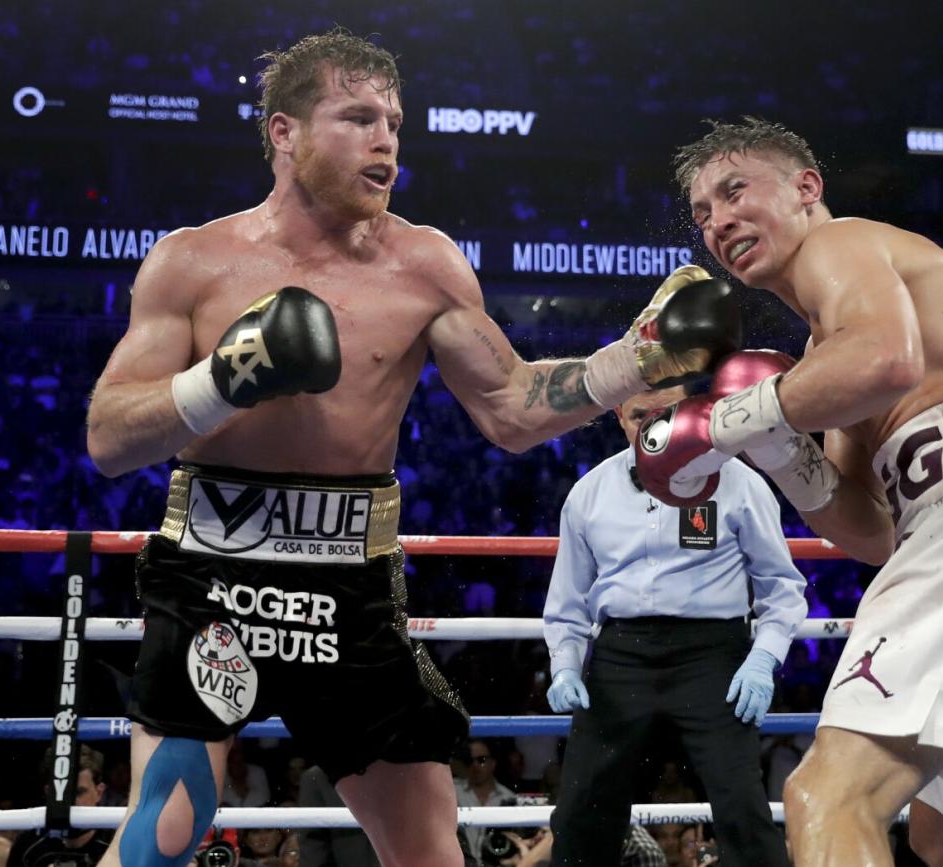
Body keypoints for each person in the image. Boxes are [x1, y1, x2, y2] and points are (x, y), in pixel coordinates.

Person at [84, 28, 737, 867]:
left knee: (430, 851)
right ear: (284, 133)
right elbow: (108, 436)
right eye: (357, 117)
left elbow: (510, 405)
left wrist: (635, 360)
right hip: (211, 577)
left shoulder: (424, 265)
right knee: (164, 835)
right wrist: (224, 378)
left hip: (350, 587)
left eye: (393, 119)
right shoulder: (193, 261)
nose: (385, 137)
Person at [638, 117, 943, 865]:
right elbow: (873, 532)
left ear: (806, 188)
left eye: (734, 191)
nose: (718, 220)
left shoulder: (844, 243)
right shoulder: (828, 351)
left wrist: (725, 419)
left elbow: (887, 359)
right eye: (701, 213)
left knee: (826, 796)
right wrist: (775, 448)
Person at [544, 384, 807, 866]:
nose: (650, 425)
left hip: (712, 656)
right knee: (583, 809)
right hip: (620, 652)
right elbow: (568, 600)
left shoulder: (737, 481)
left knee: (741, 807)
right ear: (618, 415)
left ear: (687, 410)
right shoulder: (590, 493)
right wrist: (564, 665)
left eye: (663, 412)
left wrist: (763, 659)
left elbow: (782, 586)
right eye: (638, 414)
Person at [7, 748, 112, 867]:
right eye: (62, 792)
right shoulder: (28, 844)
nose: (71, 802)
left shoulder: (117, 843)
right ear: (49, 793)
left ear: (99, 793)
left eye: (79, 792)